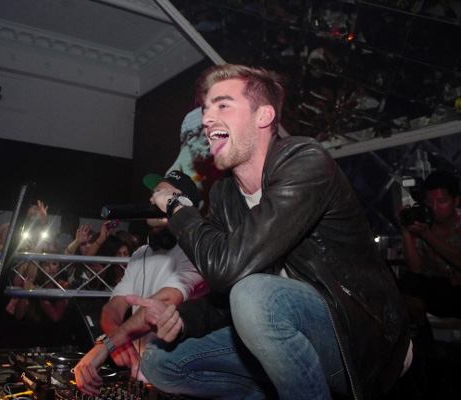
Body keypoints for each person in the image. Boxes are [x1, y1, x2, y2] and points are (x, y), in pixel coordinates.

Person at [128, 64, 411, 400]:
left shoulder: (305, 161)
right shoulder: (225, 195)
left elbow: (230, 272)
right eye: (205, 110)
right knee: (160, 362)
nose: (206, 119)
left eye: (222, 105)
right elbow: (226, 290)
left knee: (254, 295)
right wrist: (182, 318)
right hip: (279, 330)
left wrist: (177, 206)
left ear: (263, 116)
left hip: (359, 338)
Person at [74, 171, 209, 396]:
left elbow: (165, 300)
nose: (152, 199)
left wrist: (108, 344)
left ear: (182, 204)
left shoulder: (195, 252)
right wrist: (119, 339)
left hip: (178, 384)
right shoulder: (140, 254)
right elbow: (112, 309)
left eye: (161, 193)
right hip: (140, 382)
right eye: (153, 193)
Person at [398, 170, 461, 350]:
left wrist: (427, 235)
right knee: (408, 283)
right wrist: (406, 231)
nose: (435, 208)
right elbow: (415, 268)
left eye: (441, 201)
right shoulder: (422, 223)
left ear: (455, 200)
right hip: (438, 287)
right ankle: (425, 336)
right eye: (429, 202)